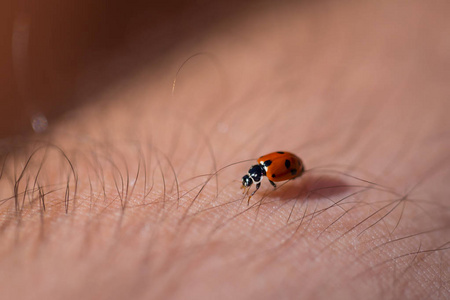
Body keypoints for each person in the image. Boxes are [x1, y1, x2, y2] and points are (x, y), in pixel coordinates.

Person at [1, 1, 449, 299]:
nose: (257, 181)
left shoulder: (275, 174)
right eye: (258, 178)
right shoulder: (269, 171)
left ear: (265, 176)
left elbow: (284, 173)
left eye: (257, 179)